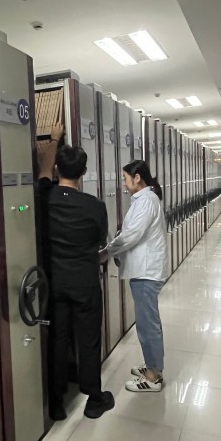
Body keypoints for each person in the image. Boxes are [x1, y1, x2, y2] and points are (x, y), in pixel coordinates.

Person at [37, 124, 114, 420]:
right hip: (85, 283)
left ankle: (56, 404)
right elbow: (100, 241)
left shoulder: (45, 196)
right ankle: (94, 399)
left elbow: (44, 173)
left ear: (59, 169)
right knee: (89, 339)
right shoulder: (94, 206)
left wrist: (53, 140)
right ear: (83, 173)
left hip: (55, 283)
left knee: (57, 340)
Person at [101, 160, 168, 393]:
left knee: (147, 324)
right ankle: (152, 364)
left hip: (146, 272)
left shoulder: (146, 201)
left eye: (125, 178)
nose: (123, 182)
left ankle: (153, 376)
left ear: (137, 177)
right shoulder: (145, 199)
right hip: (145, 270)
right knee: (147, 321)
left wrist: (107, 251)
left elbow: (131, 235)